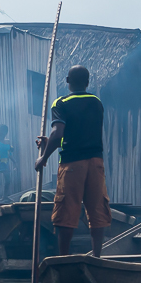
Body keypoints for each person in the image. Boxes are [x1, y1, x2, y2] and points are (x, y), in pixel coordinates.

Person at [35, 65, 112, 257]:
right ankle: (96, 256)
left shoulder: (60, 103)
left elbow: (59, 132)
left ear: (67, 81)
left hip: (72, 164)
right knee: (97, 211)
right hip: (95, 163)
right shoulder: (97, 102)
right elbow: (79, 134)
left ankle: (64, 258)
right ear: (87, 82)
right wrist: (52, 142)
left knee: (66, 212)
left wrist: (43, 158)